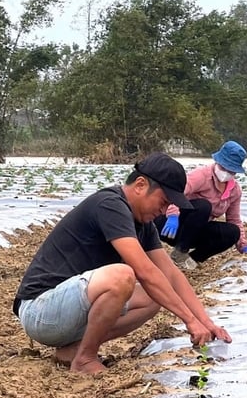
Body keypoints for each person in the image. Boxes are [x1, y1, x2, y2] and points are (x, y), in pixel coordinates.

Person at [13, 152, 233, 375]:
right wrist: (189, 320)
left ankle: (75, 350)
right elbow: (145, 272)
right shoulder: (110, 205)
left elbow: (171, 274)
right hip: (40, 310)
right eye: (164, 201)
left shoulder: (144, 225)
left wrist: (205, 322)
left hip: (69, 312)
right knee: (122, 276)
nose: (164, 211)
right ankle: (85, 360)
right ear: (140, 185)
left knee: (151, 298)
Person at [157, 140, 247, 270]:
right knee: (204, 206)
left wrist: (243, 245)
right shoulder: (201, 176)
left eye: (231, 171)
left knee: (233, 231)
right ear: (217, 162)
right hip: (171, 225)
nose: (226, 173)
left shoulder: (234, 191)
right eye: (223, 168)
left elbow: (234, 219)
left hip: (194, 232)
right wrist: (172, 215)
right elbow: (178, 192)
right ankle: (181, 251)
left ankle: (190, 260)